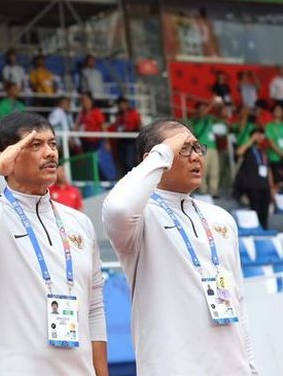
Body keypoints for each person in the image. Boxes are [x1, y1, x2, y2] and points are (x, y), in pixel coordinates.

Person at [0, 111, 108, 376]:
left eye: (52, 143)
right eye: (35, 145)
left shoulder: (79, 222)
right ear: (8, 157)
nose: (50, 153)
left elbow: (94, 308)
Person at [102, 119, 257, 375]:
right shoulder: (140, 219)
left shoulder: (221, 218)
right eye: (184, 149)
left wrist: (251, 367)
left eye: (197, 147)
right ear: (154, 159)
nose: (196, 156)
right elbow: (118, 207)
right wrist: (162, 153)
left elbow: (238, 302)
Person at [234, 128, 273, 229]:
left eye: (261, 135)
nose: (260, 137)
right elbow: (238, 152)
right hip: (252, 186)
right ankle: (256, 230)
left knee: (264, 213)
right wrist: (251, 140)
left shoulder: (263, 151)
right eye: (258, 134)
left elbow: (268, 171)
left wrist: (271, 187)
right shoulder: (249, 149)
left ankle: (264, 231)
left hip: (265, 187)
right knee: (255, 212)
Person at [192, 101, 220, 197]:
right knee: (204, 168)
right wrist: (211, 104)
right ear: (198, 111)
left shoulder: (209, 119)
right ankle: (203, 189)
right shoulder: (197, 120)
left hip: (213, 147)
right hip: (203, 146)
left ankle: (213, 190)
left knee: (214, 169)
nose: (205, 111)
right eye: (202, 109)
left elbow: (219, 118)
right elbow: (203, 115)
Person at [112, 96, 142, 176]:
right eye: (119, 104)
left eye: (122, 104)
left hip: (131, 141)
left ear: (126, 104)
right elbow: (116, 127)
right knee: (123, 162)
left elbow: (139, 126)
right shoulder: (118, 116)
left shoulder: (134, 113)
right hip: (121, 141)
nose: (121, 106)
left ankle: (133, 178)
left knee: (129, 162)